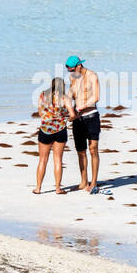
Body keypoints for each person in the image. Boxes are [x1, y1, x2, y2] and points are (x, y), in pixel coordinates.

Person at [66, 55, 102, 193]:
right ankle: (83, 182)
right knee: (80, 152)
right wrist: (66, 104)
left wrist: (81, 107)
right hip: (77, 119)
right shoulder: (73, 77)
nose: (71, 73)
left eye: (72, 70)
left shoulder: (92, 76)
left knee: (93, 149)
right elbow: (71, 94)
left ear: (79, 65)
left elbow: (96, 98)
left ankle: (93, 182)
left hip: (91, 116)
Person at [33, 77, 72, 194]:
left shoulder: (43, 95)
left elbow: (40, 113)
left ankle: (38, 188)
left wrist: (49, 116)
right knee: (58, 160)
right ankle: (58, 188)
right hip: (60, 130)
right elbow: (71, 114)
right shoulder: (65, 98)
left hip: (45, 129)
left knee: (42, 160)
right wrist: (66, 116)